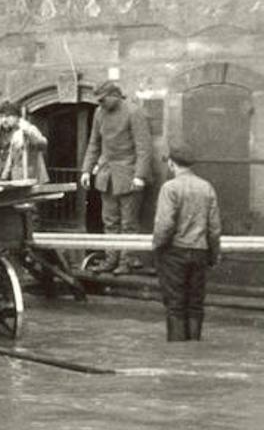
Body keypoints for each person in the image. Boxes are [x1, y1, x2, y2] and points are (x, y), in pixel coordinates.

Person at [152, 144, 222, 342]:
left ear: (172, 164)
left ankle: (178, 353)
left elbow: (164, 225)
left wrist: (157, 246)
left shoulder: (170, 188)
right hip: (200, 251)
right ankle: (194, 350)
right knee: (195, 304)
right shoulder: (206, 187)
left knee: (175, 304)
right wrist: (214, 254)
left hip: (174, 252)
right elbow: (214, 228)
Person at [80, 81, 151, 274]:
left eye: (103, 100)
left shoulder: (134, 112)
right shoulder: (98, 113)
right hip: (106, 176)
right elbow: (94, 143)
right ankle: (111, 259)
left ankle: (125, 262)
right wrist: (86, 170)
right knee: (109, 221)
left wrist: (140, 175)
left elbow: (143, 147)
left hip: (129, 175)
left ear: (114, 95)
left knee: (128, 223)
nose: (100, 104)